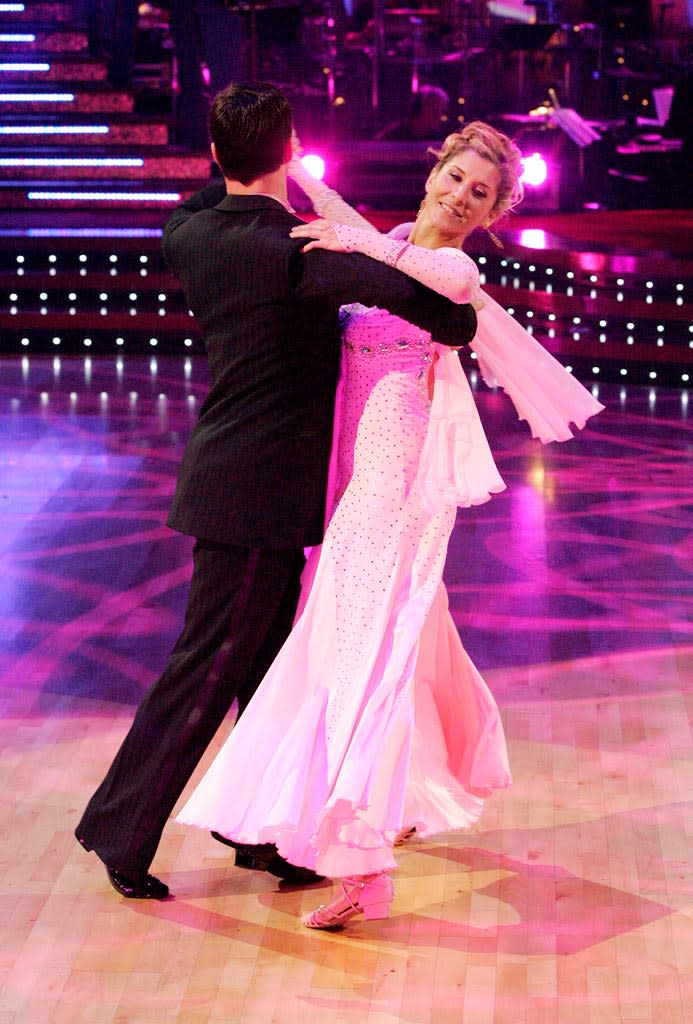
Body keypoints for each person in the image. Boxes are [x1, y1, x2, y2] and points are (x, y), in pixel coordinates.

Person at [176, 121, 604, 928]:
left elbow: (391, 260)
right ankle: (402, 792)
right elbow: (365, 235)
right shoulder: (399, 237)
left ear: (488, 214)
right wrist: (296, 169)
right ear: (434, 170)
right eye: (452, 178)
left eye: (476, 194)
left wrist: (343, 232)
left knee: (355, 643)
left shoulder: (450, 264)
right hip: (353, 462)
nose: (456, 196)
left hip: (395, 459)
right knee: (387, 634)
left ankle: (361, 860)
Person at [73, 82, 479, 901]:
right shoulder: (298, 253)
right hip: (255, 492)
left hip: (233, 472)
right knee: (210, 663)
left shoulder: (188, 229)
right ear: (289, 153)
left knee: (262, 668)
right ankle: (120, 828)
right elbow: (452, 323)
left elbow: (215, 188)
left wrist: (245, 161)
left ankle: (261, 829)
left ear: (216, 155)